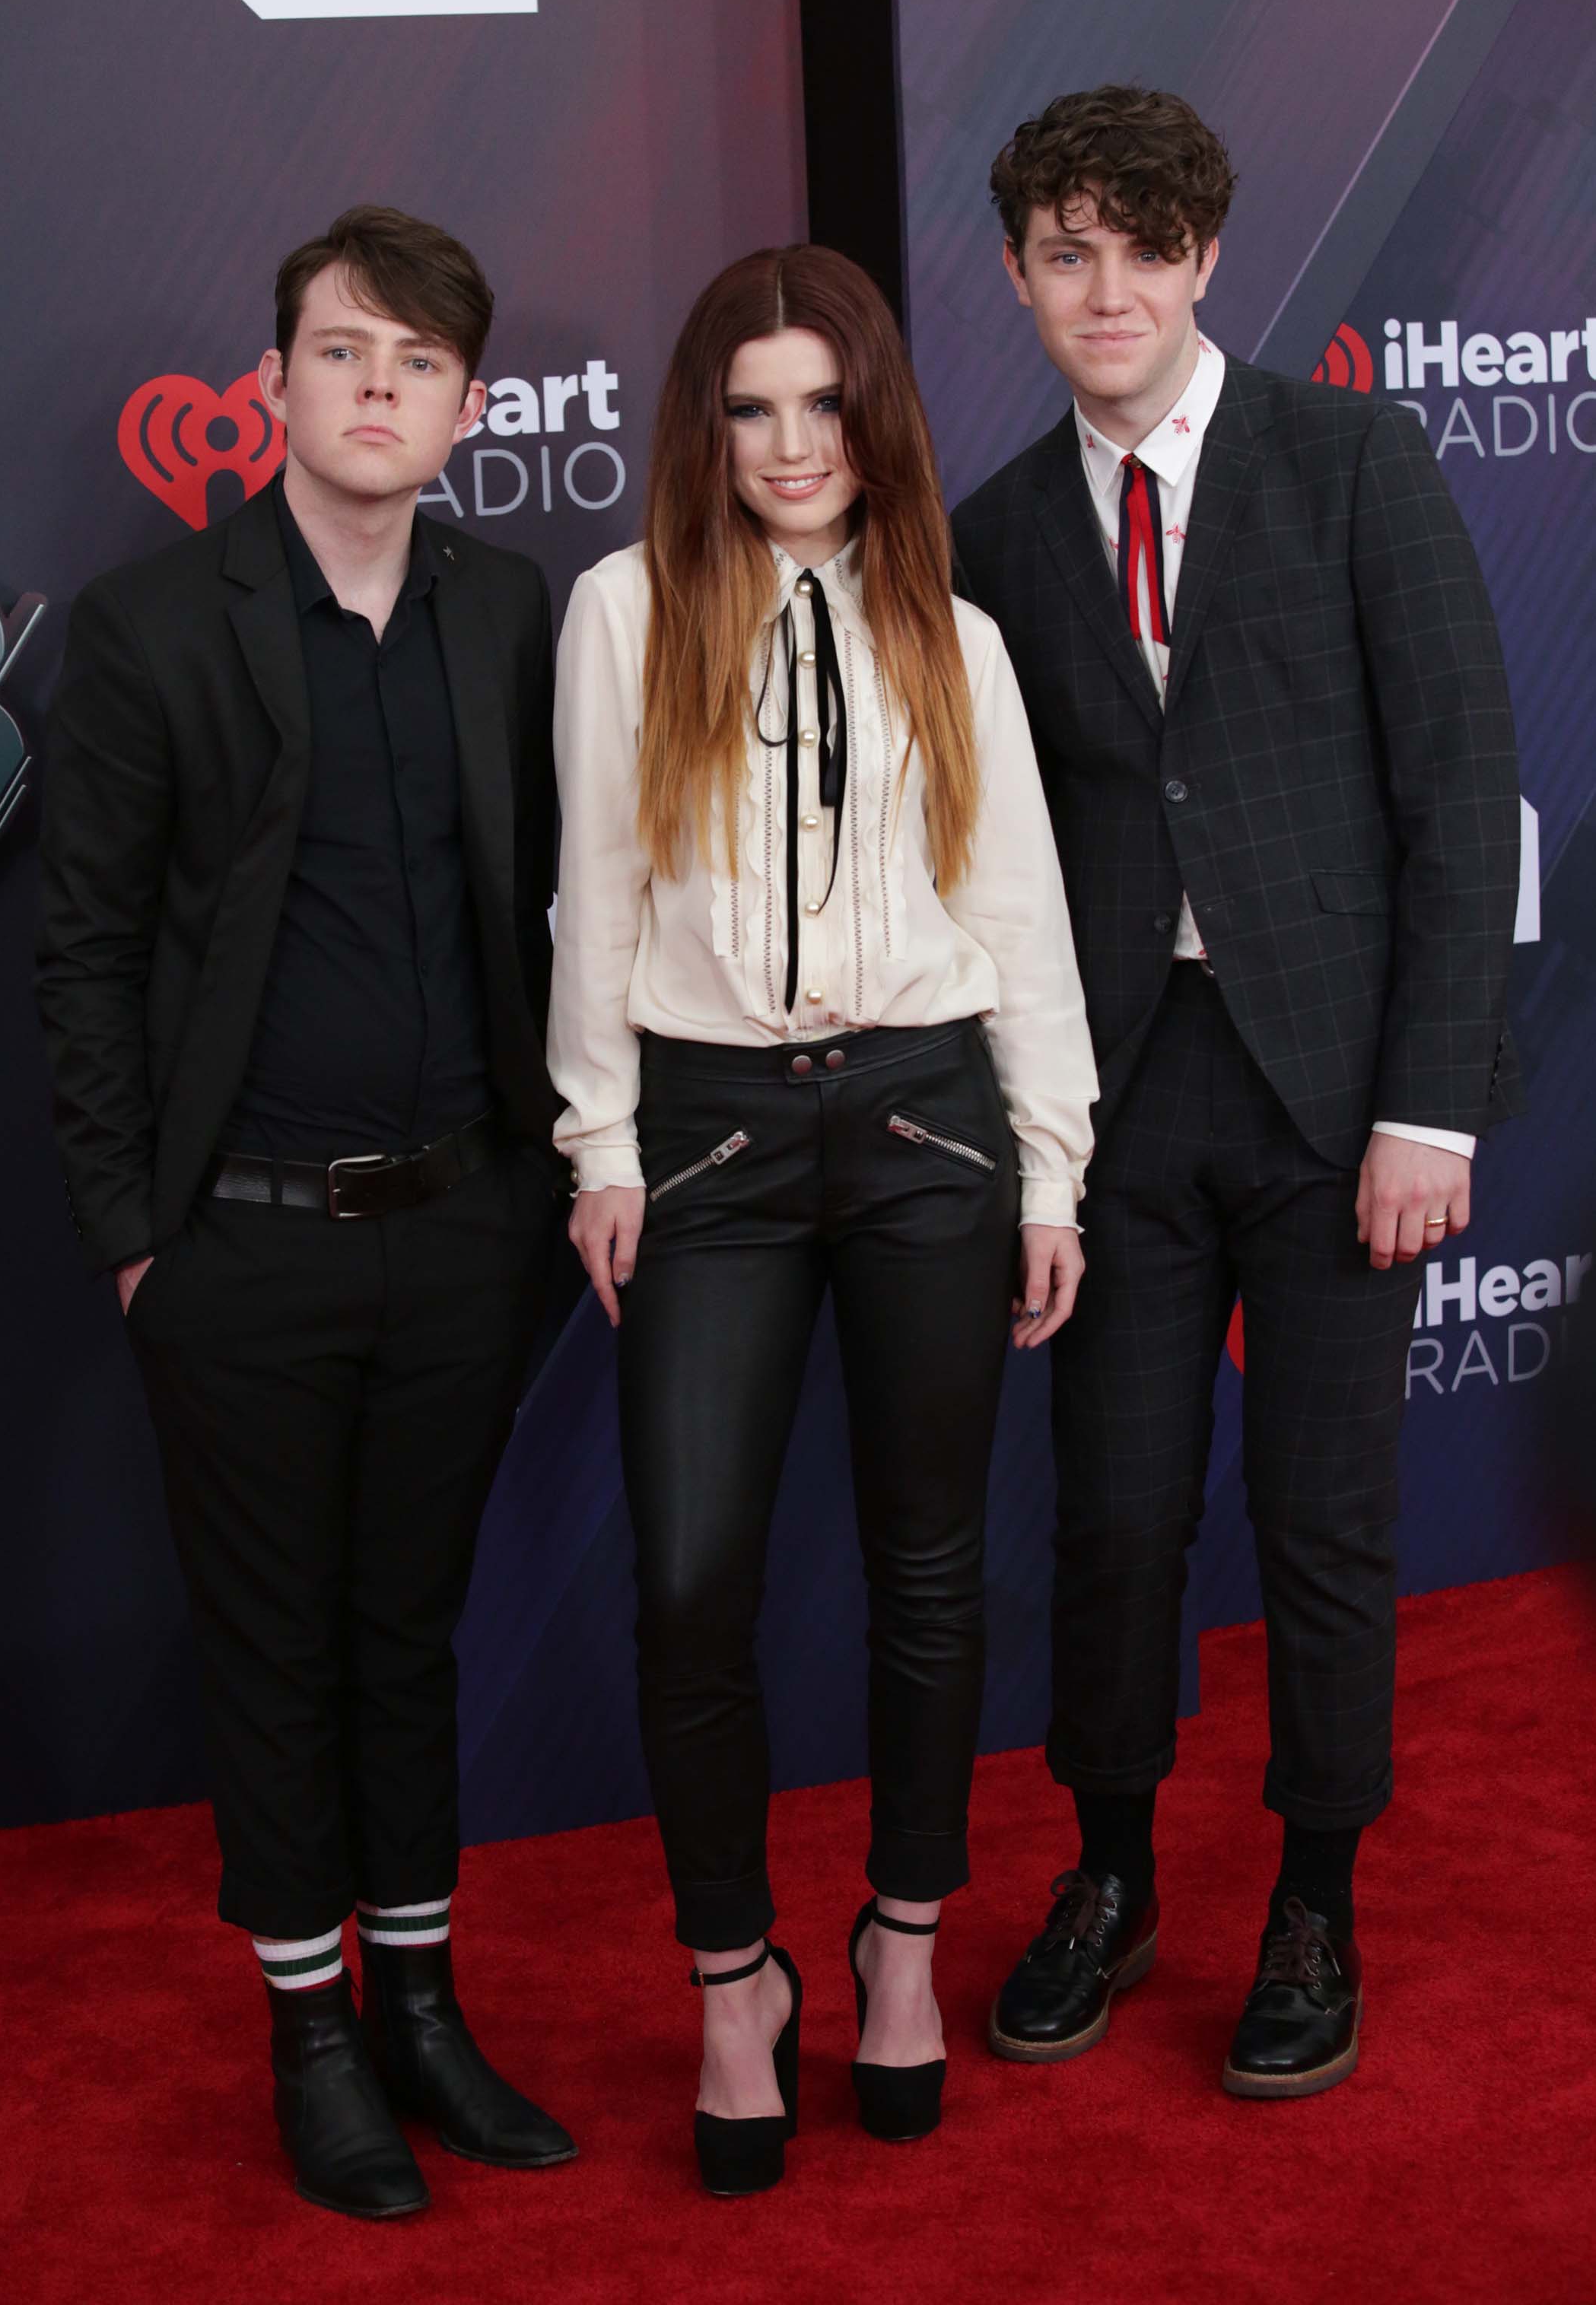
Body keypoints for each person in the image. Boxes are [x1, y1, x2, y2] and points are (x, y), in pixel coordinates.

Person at [952, 87, 1521, 2097]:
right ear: (1018, 275)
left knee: (1323, 1526)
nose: (1102, 290)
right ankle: (1106, 1877)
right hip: (1114, 1116)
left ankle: (1312, 1907)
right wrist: (1027, 1140)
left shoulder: (1348, 457)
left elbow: (1462, 796)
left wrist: (1425, 1113)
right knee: (1108, 1522)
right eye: (1061, 253)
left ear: (1202, 257)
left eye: (1138, 248)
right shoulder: (999, 531)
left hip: (1335, 1103)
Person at [37, 205, 577, 2215]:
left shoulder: (510, 609)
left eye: (419, 362)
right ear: (272, 383)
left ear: (466, 407)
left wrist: (551, 1185)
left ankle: (423, 2004)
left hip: (463, 1232)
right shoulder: (156, 625)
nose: (377, 388)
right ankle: (309, 2029)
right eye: (343, 350)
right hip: (238, 1247)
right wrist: (133, 1231)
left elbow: (565, 910)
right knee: (272, 1654)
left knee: (404, 1636)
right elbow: (83, 950)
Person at [548, 243, 1096, 2193]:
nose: (790, 444)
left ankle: (899, 1948)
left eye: (822, 402)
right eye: (750, 405)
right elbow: (595, 900)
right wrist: (599, 1144)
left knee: (928, 1568)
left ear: (873, 416)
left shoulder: (955, 630)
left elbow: (1018, 910)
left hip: (931, 1126)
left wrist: (1049, 1163)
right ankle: (729, 1984)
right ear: (709, 423)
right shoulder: (623, 614)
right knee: (689, 1576)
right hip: (706, 1138)